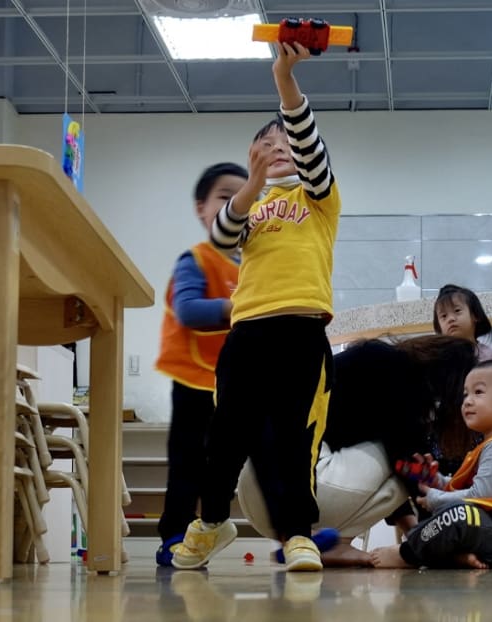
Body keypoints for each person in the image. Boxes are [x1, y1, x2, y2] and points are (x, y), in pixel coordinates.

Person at [171, 40, 340, 573]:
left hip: (302, 333)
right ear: (252, 159)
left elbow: (307, 140)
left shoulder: (318, 198)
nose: (282, 146)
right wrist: (252, 184)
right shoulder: (253, 207)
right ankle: (212, 521)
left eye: (289, 140)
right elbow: (224, 236)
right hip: (246, 337)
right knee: (224, 439)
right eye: (268, 144)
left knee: (295, 441)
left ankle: (298, 534)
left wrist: (284, 79)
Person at [236, 334, 480, 566]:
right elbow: (406, 470)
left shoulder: (377, 360)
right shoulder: (399, 377)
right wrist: (428, 542)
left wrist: (414, 533)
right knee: (414, 465)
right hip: (297, 491)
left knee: (407, 462)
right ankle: (335, 545)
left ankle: (327, 544)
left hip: (258, 494)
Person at [153, 162, 248, 567]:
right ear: (201, 208)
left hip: (234, 385)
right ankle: (174, 534)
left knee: (237, 466)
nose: (240, 206)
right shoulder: (195, 260)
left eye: (249, 198)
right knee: (188, 463)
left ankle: (288, 531)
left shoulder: (251, 266)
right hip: (193, 381)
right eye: (227, 197)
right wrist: (237, 306)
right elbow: (189, 310)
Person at [370, 359, 492, 569]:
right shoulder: (490, 446)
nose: (467, 401)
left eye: (478, 392)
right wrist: (438, 481)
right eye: (465, 394)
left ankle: (407, 554)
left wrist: (436, 498)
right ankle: (455, 557)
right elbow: (467, 489)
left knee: (458, 515)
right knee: (456, 513)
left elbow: (481, 495)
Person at [433, 284, 492, 361]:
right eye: (444, 316)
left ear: (475, 315)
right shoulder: (438, 358)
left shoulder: (489, 355)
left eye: (457, 311)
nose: (450, 319)